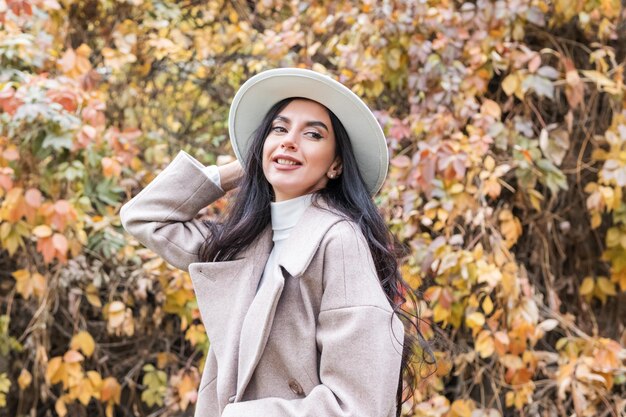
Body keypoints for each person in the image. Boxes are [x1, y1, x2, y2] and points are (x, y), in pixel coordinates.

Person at [120, 68, 416, 417]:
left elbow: (359, 405)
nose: (290, 140)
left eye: (313, 134)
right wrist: (239, 168)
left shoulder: (339, 241)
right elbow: (143, 216)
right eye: (279, 129)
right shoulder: (243, 241)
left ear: (336, 164)